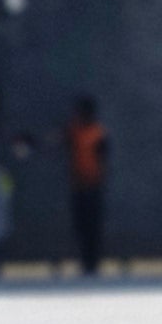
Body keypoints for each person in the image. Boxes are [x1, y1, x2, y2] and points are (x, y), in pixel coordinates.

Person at [62, 95, 108, 275]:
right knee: (80, 226)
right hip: (79, 186)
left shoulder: (98, 133)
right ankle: (85, 262)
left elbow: (103, 160)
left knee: (93, 228)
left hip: (93, 187)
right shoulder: (73, 131)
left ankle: (93, 263)